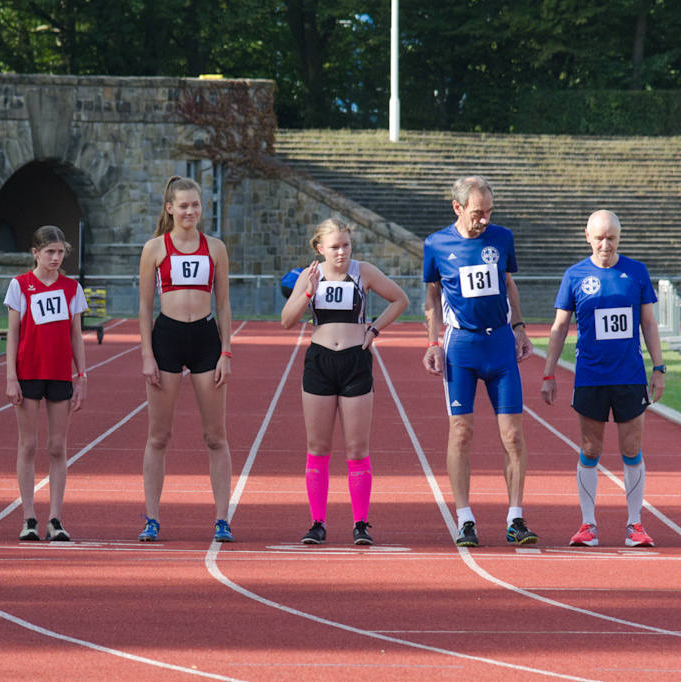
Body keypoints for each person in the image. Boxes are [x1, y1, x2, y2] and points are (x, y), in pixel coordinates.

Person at [422, 176, 537, 547]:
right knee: (461, 432)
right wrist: (433, 343)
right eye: (477, 213)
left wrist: (519, 327)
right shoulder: (436, 244)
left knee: (514, 436)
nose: (484, 219)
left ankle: (516, 518)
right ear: (457, 208)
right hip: (462, 348)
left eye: (489, 212)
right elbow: (432, 297)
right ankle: (465, 518)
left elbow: (508, 284)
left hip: (500, 345)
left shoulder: (502, 238)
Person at [540, 210, 664, 547]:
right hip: (591, 377)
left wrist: (659, 367)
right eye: (599, 238)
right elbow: (559, 327)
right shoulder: (575, 275)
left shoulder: (636, 272)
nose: (605, 244)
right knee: (590, 448)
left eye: (612, 238)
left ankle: (635, 525)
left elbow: (649, 324)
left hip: (629, 376)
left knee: (631, 448)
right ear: (588, 236)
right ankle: (588, 524)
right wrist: (549, 372)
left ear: (619, 237)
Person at [281, 218, 408, 545]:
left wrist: (374, 329)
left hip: (355, 362)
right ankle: (317, 522)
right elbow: (286, 320)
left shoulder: (363, 271)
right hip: (320, 361)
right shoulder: (312, 275)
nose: (341, 252)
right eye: (335, 247)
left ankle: (360, 524)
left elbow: (399, 299)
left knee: (356, 448)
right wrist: (307, 289)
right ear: (320, 248)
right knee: (318, 447)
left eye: (346, 246)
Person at [137, 176, 234, 542]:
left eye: (196, 205)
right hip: (167, 339)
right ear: (170, 209)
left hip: (206, 340)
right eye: (184, 206)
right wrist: (147, 354)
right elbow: (145, 307)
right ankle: (151, 518)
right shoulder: (155, 249)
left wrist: (226, 351)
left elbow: (223, 304)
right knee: (159, 436)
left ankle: (222, 519)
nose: (191, 211)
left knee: (215, 436)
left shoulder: (216, 248)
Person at [4, 225, 88, 542]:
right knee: (28, 444)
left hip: (59, 375)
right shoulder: (20, 286)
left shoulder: (71, 288)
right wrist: (10, 376)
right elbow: (13, 334)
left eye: (60, 252)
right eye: (49, 252)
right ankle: (28, 518)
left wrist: (82, 376)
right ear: (35, 253)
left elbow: (76, 337)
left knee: (57, 447)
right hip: (28, 372)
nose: (55, 257)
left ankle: (55, 519)